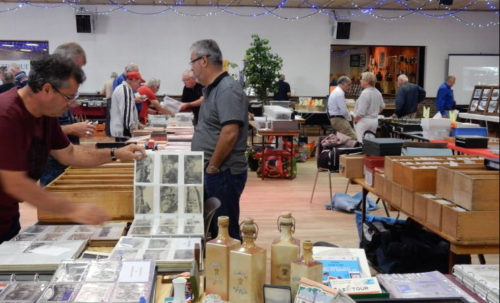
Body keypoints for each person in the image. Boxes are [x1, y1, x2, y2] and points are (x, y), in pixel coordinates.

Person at [0, 54, 146, 244]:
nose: (72, 104)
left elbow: (69, 153)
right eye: (69, 97)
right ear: (46, 89)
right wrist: (71, 208)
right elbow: (14, 183)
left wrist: (115, 153)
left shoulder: (45, 115)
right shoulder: (6, 115)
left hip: (8, 215)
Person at [189, 39, 248, 240]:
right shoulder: (213, 89)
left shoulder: (227, 89)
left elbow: (230, 133)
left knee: (226, 233)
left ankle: (231, 270)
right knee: (216, 230)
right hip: (216, 171)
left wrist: (212, 167)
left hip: (223, 172)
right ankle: (219, 268)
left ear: (203, 61)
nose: (192, 69)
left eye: (192, 62)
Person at [39, 42, 97, 187]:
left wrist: (78, 128)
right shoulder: (46, 89)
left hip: (65, 157)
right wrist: (73, 128)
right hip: (53, 163)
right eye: (76, 67)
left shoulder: (61, 86)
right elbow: (40, 130)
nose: (78, 73)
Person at [110, 71, 145, 137]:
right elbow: (126, 111)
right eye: (139, 83)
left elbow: (129, 111)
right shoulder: (125, 90)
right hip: (124, 131)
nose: (139, 86)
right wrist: (132, 127)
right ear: (133, 80)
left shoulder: (126, 89)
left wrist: (138, 124)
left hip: (123, 130)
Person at [353, 72, 385, 142]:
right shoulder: (378, 92)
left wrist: (355, 120)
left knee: (362, 142)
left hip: (363, 121)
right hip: (374, 121)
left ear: (367, 81)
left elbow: (361, 112)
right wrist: (375, 112)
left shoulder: (365, 93)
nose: (360, 81)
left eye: (361, 79)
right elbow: (382, 106)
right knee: (371, 142)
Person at [327, 76, 357, 140]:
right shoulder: (339, 93)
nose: (350, 87)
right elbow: (344, 111)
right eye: (348, 85)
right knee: (353, 138)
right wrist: (350, 119)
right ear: (343, 83)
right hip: (339, 120)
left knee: (343, 140)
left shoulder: (337, 91)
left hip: (336, 119)